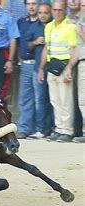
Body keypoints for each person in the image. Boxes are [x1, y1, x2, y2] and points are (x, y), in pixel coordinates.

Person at [38, 0, 77, 142]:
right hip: (51, 66)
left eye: (60, 10)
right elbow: (46, 48)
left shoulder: (70, 27)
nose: (57, 12)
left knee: (65, 99)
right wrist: (41, 68)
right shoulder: (48, 27)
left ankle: (67, 130)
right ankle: (59, 128)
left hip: (64, 66)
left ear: (65, 10)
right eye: (55, 10)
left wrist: (69, 68)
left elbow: (74, 49)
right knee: (55, 100)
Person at [25, 2, 54, 139]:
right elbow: (27, 47)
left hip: (55, 68)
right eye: (40, 13)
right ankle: (41, 129)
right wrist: (35, 42)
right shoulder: (33, 27)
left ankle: (53, 128)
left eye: (46, 13)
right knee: (40, 100)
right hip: (39, 69)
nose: (43, 15)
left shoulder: (54, 26)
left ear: (51, 13)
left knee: (54, 100)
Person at [16, 0, 41, 139]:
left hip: (39, 64)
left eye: (34, 3)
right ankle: (25, 128)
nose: (32, 6)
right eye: (29, 3)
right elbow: (18, 42)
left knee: (40, 98)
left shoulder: (44, 22)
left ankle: (40, 128)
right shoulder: (21, 22)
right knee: (24, 98)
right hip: (25, 64)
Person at [65, 0, 85, 143]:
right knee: (82, 101)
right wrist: (70, 67)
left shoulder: (79, 24)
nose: (84, 8)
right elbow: (78, 48)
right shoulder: (80, 20)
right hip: (82, 62)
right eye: (83, 5)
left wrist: (81, 32)